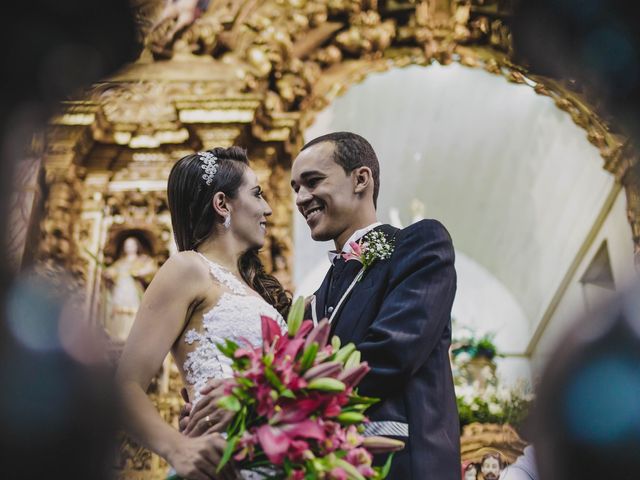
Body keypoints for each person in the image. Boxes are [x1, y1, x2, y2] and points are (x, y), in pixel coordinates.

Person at [290, 131, 459, 479]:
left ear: (361, 179)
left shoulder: (419, 245)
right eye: (295, 188)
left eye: (312, 182)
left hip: (403, 462)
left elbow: (392, 353)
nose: (301, 198)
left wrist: (290, 401)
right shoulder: (314, 300)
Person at [115, 146, 290, 480]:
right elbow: (124, 386)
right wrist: (176, 447)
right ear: (222, 204)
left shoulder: (259, 292)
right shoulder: (188, 268)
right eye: (257, 194)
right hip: (219, 463)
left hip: (277, 460)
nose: (267, 208)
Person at [103, 236, 157, 341]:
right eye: (127, 245)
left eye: (132, 245)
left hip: (135, 292)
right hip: (120, 293)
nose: (129, 247)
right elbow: (113, 271)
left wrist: (139, 273)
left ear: (137, 246)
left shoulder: (143, 260)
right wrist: (108, 274)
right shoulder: (120, 262)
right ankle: (119, 336)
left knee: (135, 314)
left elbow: (152, 270)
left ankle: (134, 338)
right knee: (119, 315)